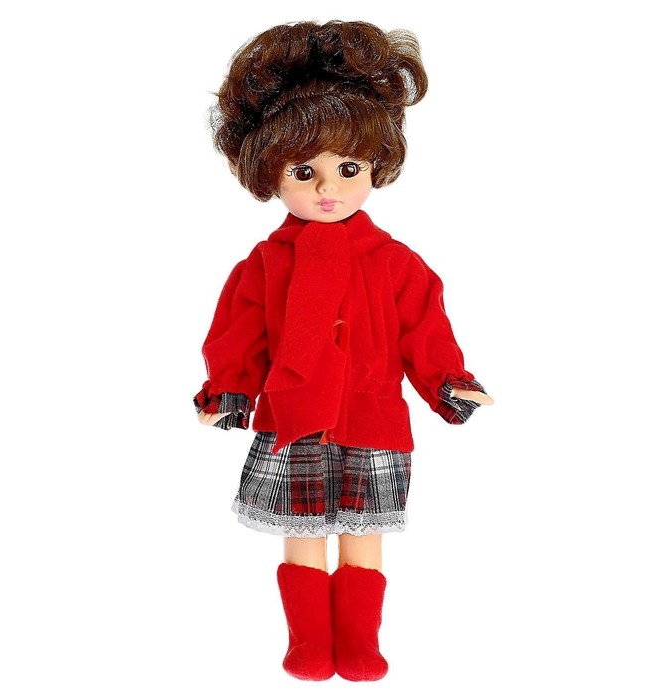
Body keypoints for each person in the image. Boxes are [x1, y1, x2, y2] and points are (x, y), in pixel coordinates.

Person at [193, 20, 493, 682]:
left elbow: (424, 328)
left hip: (370, 416)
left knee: (363, 536)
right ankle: (306, 642)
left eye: (347, 169)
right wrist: (229, 390)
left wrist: (447, 380)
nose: (327, 189)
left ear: (374, 167)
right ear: (270, 174)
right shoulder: (264, 265)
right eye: (305, 172)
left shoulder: (395, 263)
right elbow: (238, 333)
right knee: (302, 537)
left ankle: (360, 642)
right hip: (294, 418)